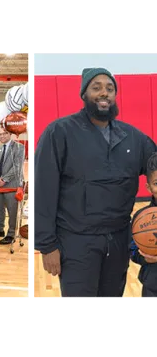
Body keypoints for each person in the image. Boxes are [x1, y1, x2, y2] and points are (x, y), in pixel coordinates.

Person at [34, 67, 157, 299]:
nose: (104, 93)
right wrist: (47, 245)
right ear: (84, 94)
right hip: (76, 240)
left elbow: (155, 171)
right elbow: (43, 191)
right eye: (97, 87)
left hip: (119, 238)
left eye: (110, 89)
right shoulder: (59, 132)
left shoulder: (133, 137)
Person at [0, 128, 25, 245]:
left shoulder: (19, 147)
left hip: (12, 184)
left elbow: (17, 167)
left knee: (12, 210)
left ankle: (11, 233)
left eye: (4, 134)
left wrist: (5, 179)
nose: (2, 136)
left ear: (10, 134)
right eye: (0, 134)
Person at [130, 153, 157, 299]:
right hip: (153, 287)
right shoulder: (141, 218)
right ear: (149, 187)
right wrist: (144, 258)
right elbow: (132, 250)